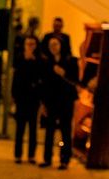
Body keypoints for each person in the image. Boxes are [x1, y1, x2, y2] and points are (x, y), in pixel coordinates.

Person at [40, 37, 79, 170]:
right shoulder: (46, 62)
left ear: (61, 45)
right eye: (51, 44)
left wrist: (64, 73)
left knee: (65, 130)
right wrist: (43, 103)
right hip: (51, 101)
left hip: (66, 101)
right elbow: (44, 84)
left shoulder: (71, 61)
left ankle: (64, 160)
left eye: (55, 44)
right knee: (49, 131)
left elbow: (76, 80)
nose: (53, 47)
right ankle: (47, 159)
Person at [11, 36, 42, 164]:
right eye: (28, 43)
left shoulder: (39, 59)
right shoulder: (19, 58)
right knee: (20, 128)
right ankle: (18, 155)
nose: (30, 46)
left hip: (33, 99)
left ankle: (31, 156)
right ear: (24, 45)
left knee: (33, 129)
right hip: (21, 98)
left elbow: (40, 78)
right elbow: (16, 78)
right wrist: (13, 96)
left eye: (32, 44)